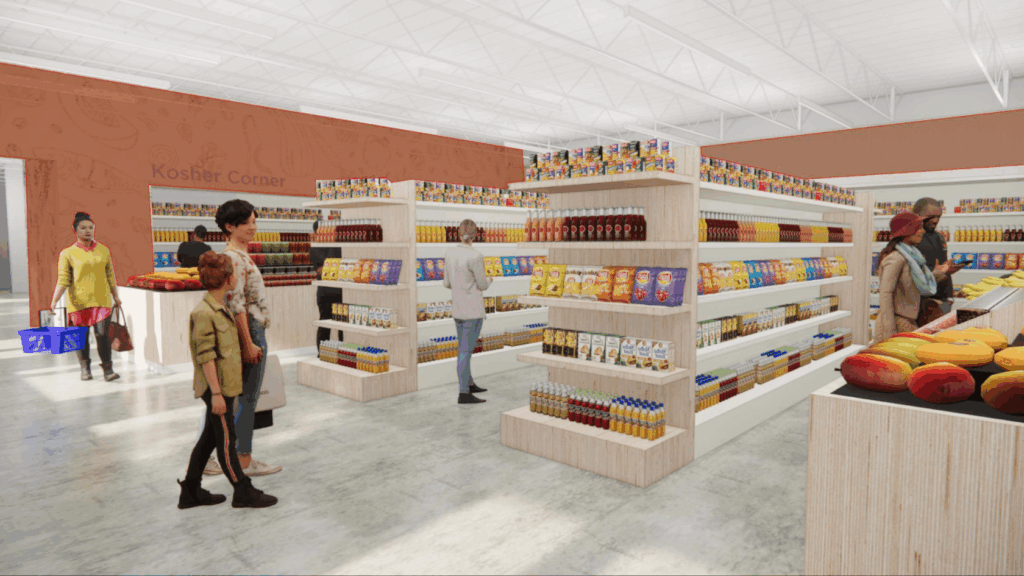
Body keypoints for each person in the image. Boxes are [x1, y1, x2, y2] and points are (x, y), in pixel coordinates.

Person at [177, 251, 277, 510]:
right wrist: (217, 395)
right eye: (233, 272)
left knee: (209, 439)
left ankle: (190, 489)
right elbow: (205, 357)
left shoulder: (222, 308)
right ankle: (242, 491)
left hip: (227, 385)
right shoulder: (204, 313)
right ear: (227, 279)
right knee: (226, 440)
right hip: (216, 389)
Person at [203, 199, 282, 477]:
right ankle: (243, 459)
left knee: (234, 398)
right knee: (248, 399)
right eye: (247, 222)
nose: (253, 227)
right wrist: (249, 342)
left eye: (254, 221)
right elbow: (237, 305)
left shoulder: (236, 256)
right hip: (250, 330)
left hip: (247, 331)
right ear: (229, 226)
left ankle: (217, 457)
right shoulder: (235, 258)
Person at [49, 212, 121, 382]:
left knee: (103, 335)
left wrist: (116, 297)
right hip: (78, 302)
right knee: (81, 338)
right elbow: (63, 280)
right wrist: (54, 301)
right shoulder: (67, 253)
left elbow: (110, 275)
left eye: (91, 227)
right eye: (83, 228)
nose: (88, 231)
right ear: (75, 230)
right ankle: (85, 368)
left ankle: (108, 369)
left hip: (102, 300)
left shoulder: (103, 250)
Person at [875, 212, 953, 341]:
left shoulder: (913, 256)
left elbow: (915, 282)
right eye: (919, 228)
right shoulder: (896, 258)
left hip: (907, 321)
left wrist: (940, 272)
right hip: (895, 323)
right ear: (907, 231)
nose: (923, 232)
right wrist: (890, 331)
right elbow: (886, 293)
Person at [444, 219, 492, 405]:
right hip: (472, 310)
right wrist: (490, 279)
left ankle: (469, 384)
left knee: (463, 349)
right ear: (476, 234)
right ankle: (464, 393)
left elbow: (447, 283)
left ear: (457, 233)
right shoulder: (476, 256)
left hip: (457, 309)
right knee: (465, 351)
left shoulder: (449, 253)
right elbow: (482, 285)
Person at [912, 197, 965, 323]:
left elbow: (943, 268)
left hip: (942, 301)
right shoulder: (911, 239)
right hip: (920, 303)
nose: (936, 220)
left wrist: (949, 298)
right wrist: (935, 271)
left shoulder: (939, 238)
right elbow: (910, 273)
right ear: (917, 215)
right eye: (931, 216)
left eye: (939, 216)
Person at [310, 220, 342, 348]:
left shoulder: (337, 245)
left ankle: (343, 350)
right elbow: (325, 269)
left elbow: (329, 268)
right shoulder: (315, 247)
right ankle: (322, 352)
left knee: (342, 324)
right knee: (325, 322)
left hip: (340, 289)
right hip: (326, 290)